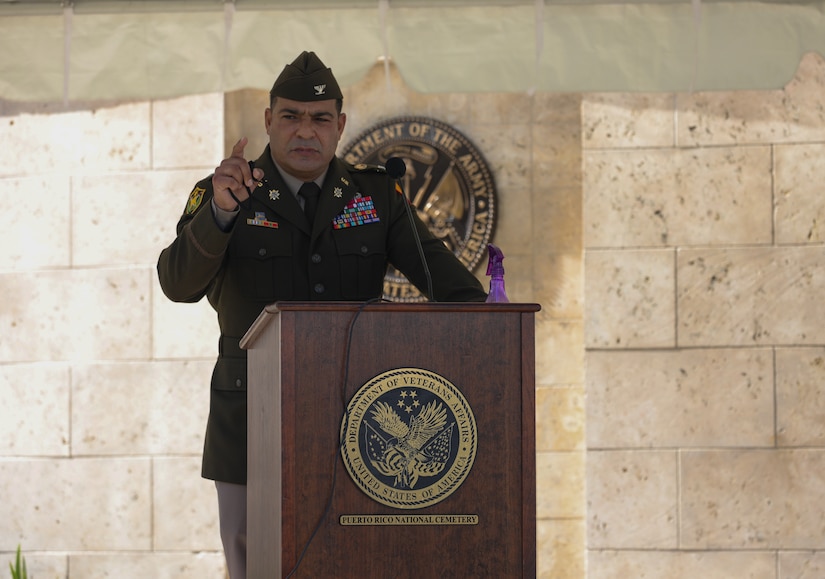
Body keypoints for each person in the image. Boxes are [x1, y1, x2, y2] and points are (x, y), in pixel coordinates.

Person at [156, 51, 486, 579]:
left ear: (340, 126)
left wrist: (490, 332)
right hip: (250, 414)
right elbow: (176, 284)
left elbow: (456, 292)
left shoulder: (377, 195)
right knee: (251, 555)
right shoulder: (225, 192)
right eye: (290, 116)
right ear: (268, 121)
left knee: (356, 552)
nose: (304, 130)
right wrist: (219, 215)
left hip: (358, 412)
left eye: (319, 118)